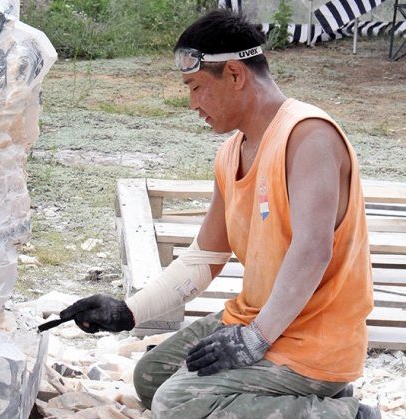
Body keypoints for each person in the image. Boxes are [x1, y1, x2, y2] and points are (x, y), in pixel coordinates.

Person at [58, 9, 379, 419]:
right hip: (256, 322)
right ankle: (298, 401)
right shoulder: (232, 153)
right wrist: (128, 311)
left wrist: (255, 339)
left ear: (234, 74)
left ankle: (345, 413)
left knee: (176, 404)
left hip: (312, 342)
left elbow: (312, 251)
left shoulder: (308, 137)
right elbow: (205, 257)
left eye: (195, 87)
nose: (191, 103)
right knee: (151, 379)